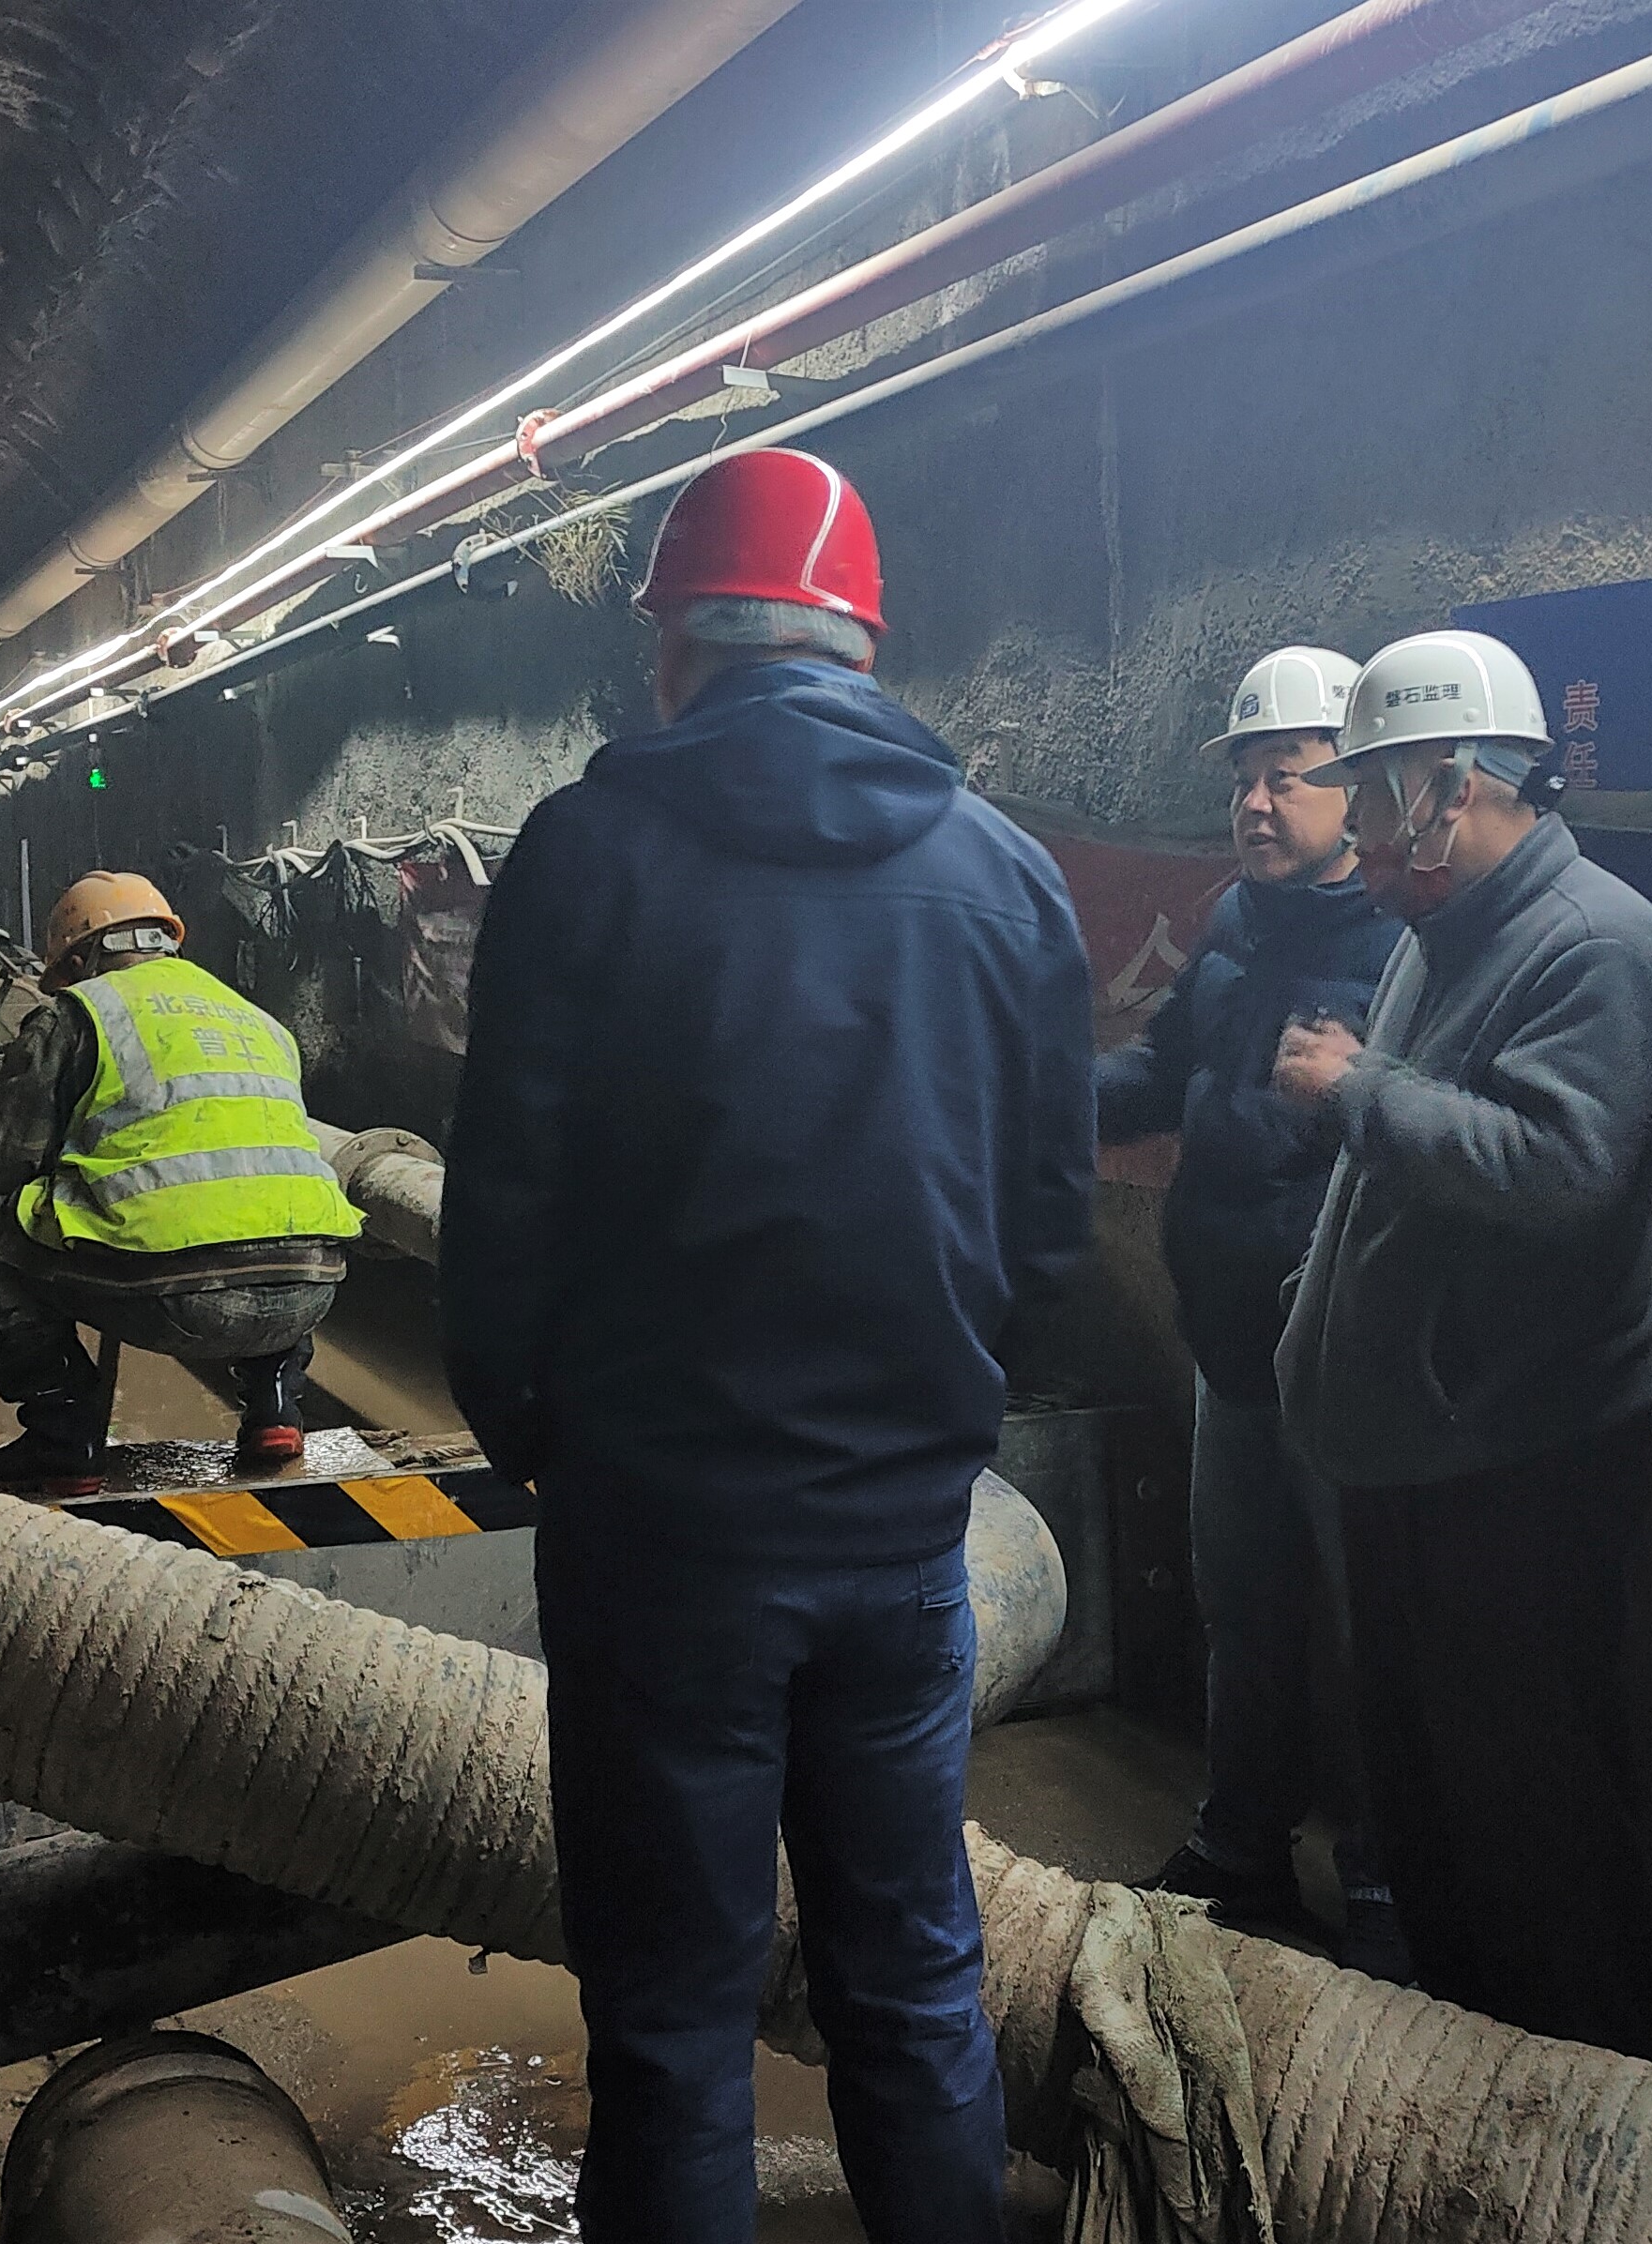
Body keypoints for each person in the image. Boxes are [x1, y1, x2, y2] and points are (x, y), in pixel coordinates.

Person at [437, 447, 1095, 2244]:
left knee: (672, 2019)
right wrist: (934, 1417)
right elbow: (1049, 1227)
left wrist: (545, 1439)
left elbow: (504, 1208)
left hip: (660, 1535)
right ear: (861, 649)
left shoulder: (582, 855)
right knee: (914, 1983)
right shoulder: (1008, 877)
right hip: (903, 1537)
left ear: (675, 648)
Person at [1269, 628, 1652, 2056]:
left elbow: (1563, 1172)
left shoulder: (1594, 942)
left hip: (1514, 1465)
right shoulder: (1433, 934)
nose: (1359, 834)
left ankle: (1585, 2112)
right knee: (1430, 1807)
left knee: (1535, 1819)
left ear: (1456, 787)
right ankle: (1461, 2102)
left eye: (1375, 796)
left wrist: (1356, 1091)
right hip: (1416, 1457)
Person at [1094, 646, 1406, 1977]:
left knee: (1372, 1625)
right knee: (1244, 1603)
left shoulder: (1404, 937)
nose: (1257, 804)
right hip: (1227, 1336)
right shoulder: (1230, 924)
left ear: (1356, 786)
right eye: (1243, 779)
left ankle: (1388, 1890)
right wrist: (1026, 1094)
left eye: (1287, 775)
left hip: (1342, 1349)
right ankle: (1240, 1844)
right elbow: (1161, 1072)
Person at [0, 872, 360, 1496]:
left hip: (172, 1296)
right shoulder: (258, 1019)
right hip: (311, 1289)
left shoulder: (77, 1012)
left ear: (77, 960)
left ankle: (64, 1435)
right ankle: (275, 1408)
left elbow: (3, 1164)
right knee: (267, 1204)